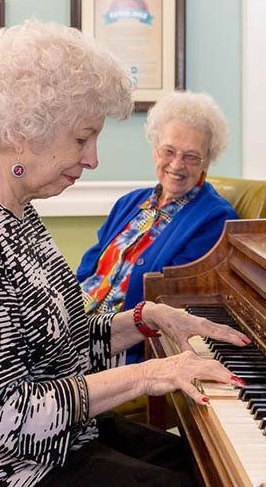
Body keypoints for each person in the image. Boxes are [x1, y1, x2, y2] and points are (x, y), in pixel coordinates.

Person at [0, 20, 249, 487]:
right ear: (25, 131)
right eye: (82, 137)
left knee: (213, 466)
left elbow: (56, 345)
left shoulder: (13, 207)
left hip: (59, 439)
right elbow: (1, 415)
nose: (93, 159)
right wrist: (149, 375)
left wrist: (145, 320)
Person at [77, 91, 238, 363]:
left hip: (125, 349)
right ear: (155, 150)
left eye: (191, 156)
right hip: (81, 328)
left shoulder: (216, 219)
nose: (176, 165)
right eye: (169, 151)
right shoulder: (129, 203)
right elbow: (87, 269)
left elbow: (171, 300)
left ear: (207, 161)